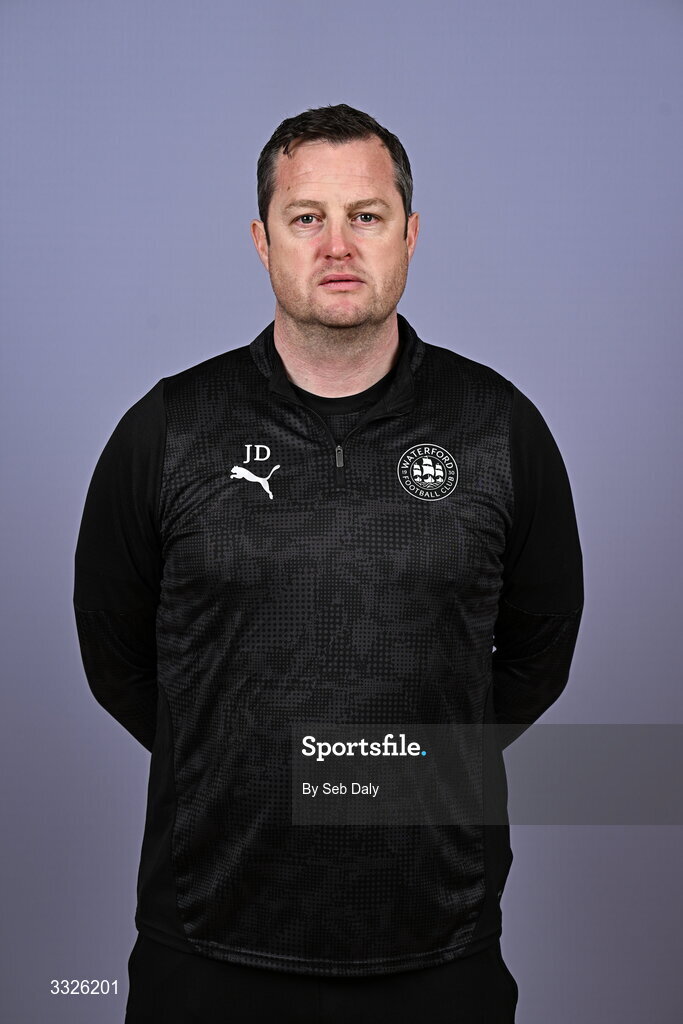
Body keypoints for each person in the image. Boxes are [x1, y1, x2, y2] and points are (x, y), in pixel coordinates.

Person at [73, 103, 583, 1023]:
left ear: (410, 235)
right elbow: (117, 660)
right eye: (307, 217)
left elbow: (535, 657)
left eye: (367, 216)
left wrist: (393, 774)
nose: (337, 245)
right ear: (263, 240)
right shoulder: (168, 430)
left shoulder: (499, 428)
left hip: (437, 947)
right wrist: (243, 759)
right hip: (208, 942)